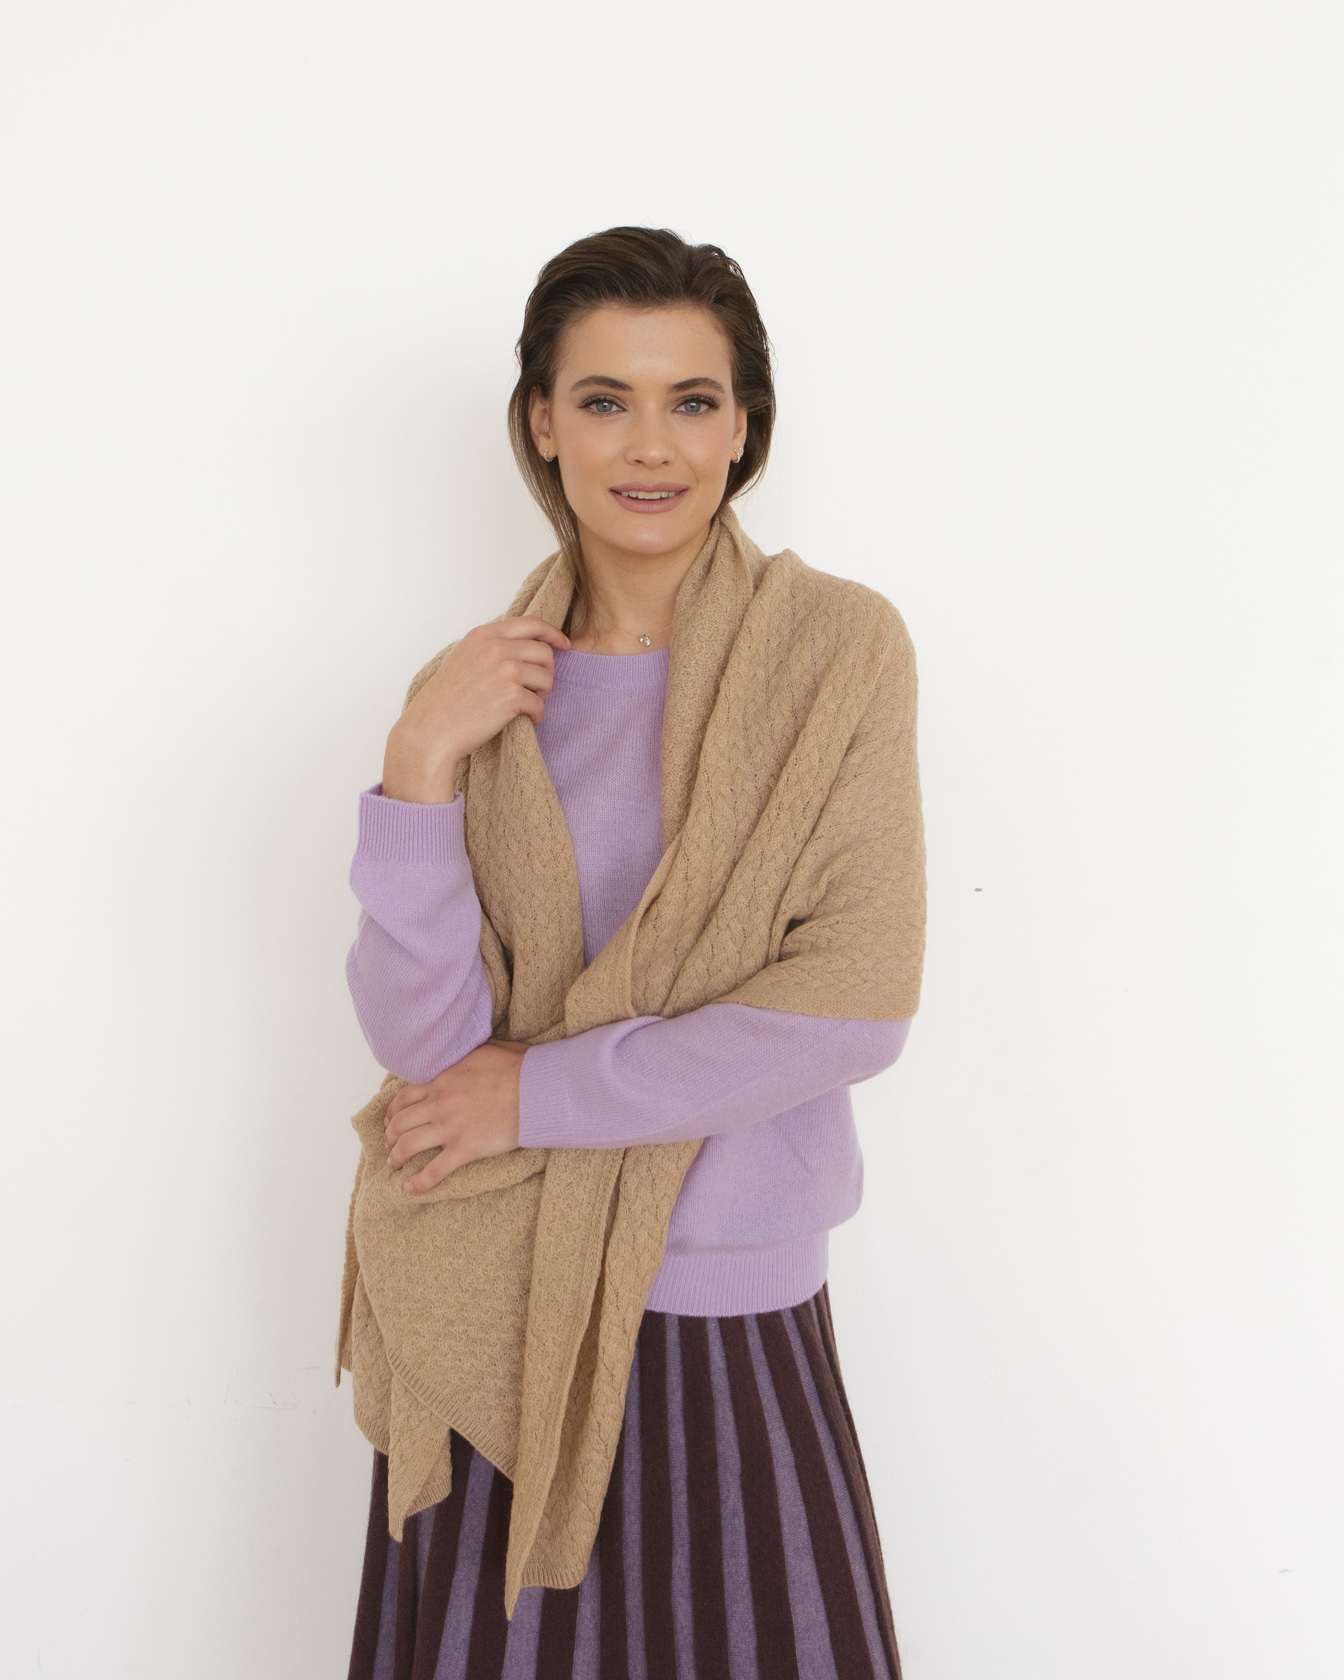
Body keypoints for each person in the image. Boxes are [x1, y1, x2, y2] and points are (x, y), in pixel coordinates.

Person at [338, 226, 926, 1680]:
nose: (649, 445)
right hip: (496, 1302)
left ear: (744, 428)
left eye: (691, 401)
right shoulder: (474, 689)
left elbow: (853, 1001)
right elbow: (426, 1050)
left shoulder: (836, 653)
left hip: (727, 1301)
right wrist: (417, 765)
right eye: (604, 400)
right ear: (543, 422)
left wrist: (534, 1094)